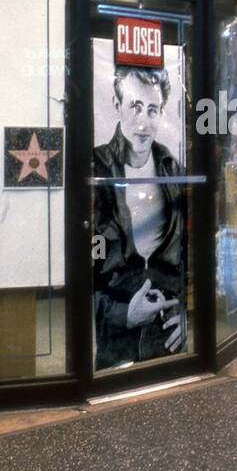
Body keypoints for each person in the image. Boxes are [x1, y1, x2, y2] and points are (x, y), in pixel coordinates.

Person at [93, 66, 186, 370]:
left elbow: (185, 257)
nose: (143, 122)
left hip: (168, 340)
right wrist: (123, 315)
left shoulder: (172, 169)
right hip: (118, 342)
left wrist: (187, 314)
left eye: (153, 109)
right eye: (134, 106)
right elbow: (79, 277)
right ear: (117, 105)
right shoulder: (96, 169)